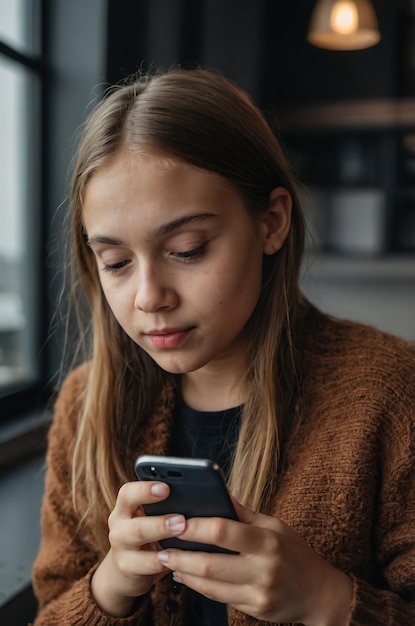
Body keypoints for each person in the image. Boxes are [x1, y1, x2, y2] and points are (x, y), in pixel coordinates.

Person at [31, 66, 415, 626]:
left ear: (272, 223)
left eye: (187, 249)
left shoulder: (391, 394)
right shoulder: (86, 405)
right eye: (115, 263)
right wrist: (112, 584)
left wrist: (328, 601)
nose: (149, 297)